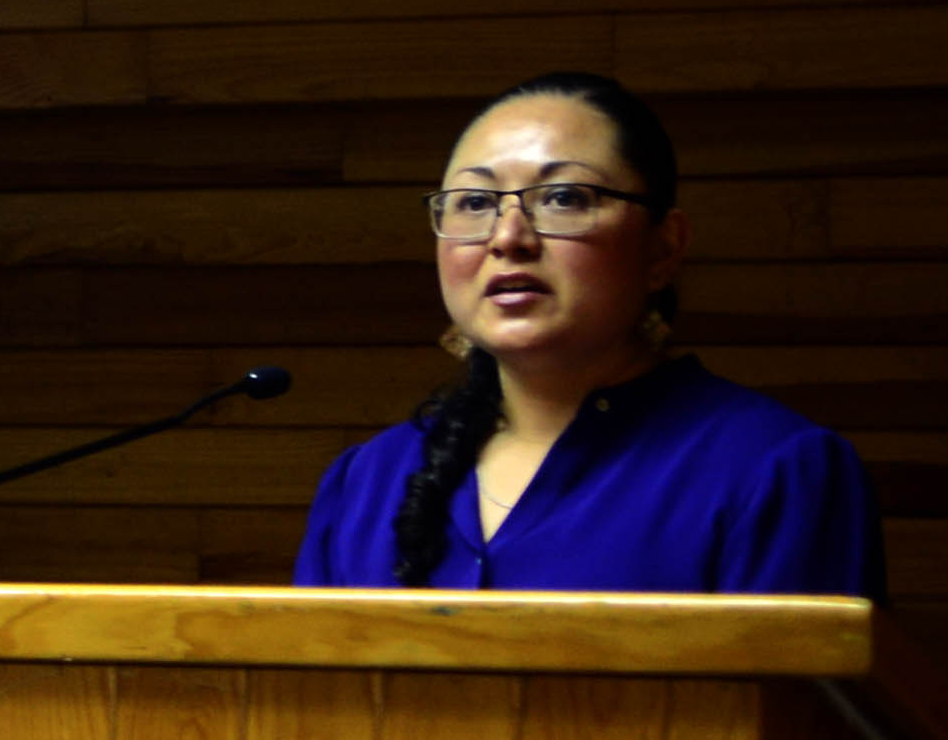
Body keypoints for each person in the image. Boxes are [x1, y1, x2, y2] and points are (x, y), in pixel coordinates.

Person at [293, 71, 883, 596]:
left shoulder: (776, 471)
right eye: (473, 202)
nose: (508, 237)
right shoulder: (367, 481)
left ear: (663, 247)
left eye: (564, 198)